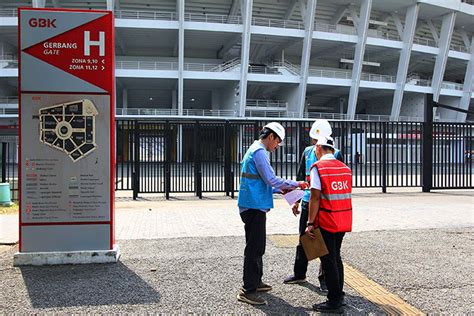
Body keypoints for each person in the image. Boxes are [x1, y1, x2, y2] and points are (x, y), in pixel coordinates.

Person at [237, 122, 308, 305]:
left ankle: (256, 282)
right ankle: (248, 290)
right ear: (271, 137)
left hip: (252, 204)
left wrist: (280, 190)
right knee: (254, 248)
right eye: (278, 142)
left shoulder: (254, 149)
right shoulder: (259, 152)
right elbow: (270, 179)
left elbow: (262, 182)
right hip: (253, 206)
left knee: (257, 246)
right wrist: (295, 184)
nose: (277, 147)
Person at [283, 119, 343, 292]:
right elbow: (301, 178)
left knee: (327, 245)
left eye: (318, 141)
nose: (315, 145)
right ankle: (299, 273)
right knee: (304, 239)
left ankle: (325, 279)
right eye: (314, 141)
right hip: (309, 201)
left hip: (325, 206)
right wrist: (296, 200)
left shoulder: (336, 154)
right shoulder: (307, 152)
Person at [306, 135, 353, 313]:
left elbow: (315, 197)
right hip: (343, 219)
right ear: (332, 150)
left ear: (318, 148)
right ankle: (339, 294)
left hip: (327, 219)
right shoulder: (345, 168)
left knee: (328, 260)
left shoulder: (318, 167)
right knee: (336, 257)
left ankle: (334, 301)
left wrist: (310, 222)